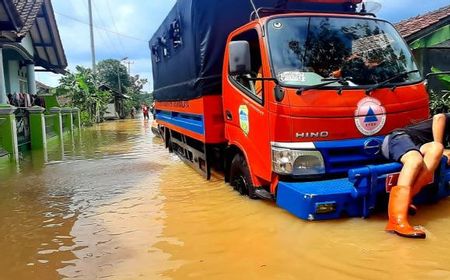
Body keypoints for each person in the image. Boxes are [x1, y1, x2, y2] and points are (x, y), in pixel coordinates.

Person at [382, 113, 450, 239]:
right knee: (415, 160)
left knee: (437, 149)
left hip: (420, 145)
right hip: (399, 138)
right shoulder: (445, 119)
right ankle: (396, 222)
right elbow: (439, 117)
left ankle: (408, 199)